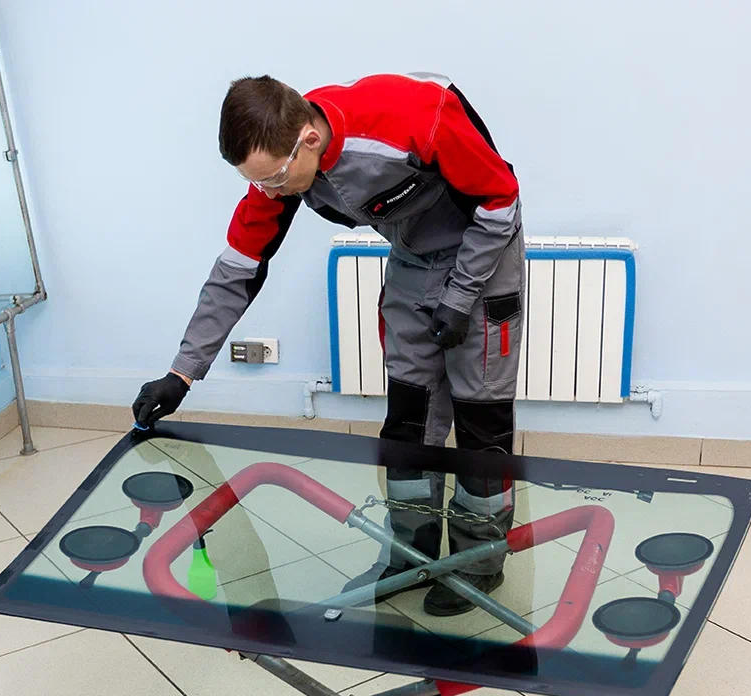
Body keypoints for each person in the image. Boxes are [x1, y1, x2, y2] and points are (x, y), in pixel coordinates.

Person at [132, 73, 524, 617]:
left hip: (485, 258)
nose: (269, 192)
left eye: (273, 178)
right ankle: (410, 556)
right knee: (408, 419)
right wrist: (181, 373)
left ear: (309, 139)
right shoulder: (281, 167)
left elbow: (501, 200)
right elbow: (239, 267)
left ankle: (478, 562)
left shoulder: (413, 119)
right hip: (413, 261)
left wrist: (460, 296)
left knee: (481, 424)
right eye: (256, 182)